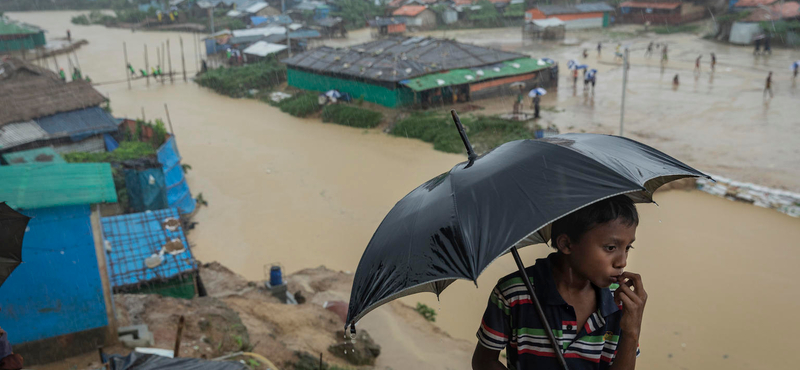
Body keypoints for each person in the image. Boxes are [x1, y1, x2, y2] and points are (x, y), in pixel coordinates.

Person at [472, 195, 646, 370]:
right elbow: (484, 361)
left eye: (627, 247)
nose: (622, 262)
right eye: (610, 248)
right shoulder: (514, 293)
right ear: (567, 244)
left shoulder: (620, 301)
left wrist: (631, 332)